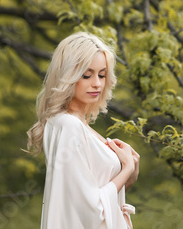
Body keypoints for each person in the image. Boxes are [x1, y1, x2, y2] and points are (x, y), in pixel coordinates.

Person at [27, 31, 140, 229]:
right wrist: (127, 167)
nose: (96, 83)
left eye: (102, 75)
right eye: (86, 75)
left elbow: (96, 199)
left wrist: (129, 176)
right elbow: (90, 213)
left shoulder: (76, 127)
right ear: (67, 76)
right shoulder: (69, 126)